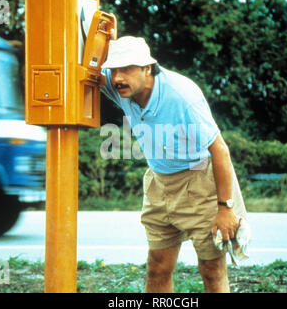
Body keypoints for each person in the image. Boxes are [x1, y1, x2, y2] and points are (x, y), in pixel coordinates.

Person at [100, 35, 247, 293]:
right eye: (113, 70)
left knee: (212, 270)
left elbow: (220, 149)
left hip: (200, 183)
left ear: (147, 68)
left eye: (126, 69)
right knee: (157, 266)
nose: (117, 78)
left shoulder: (182, 96)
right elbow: (82, 61)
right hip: (158, 180)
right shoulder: (119, 86)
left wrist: (225, 208)